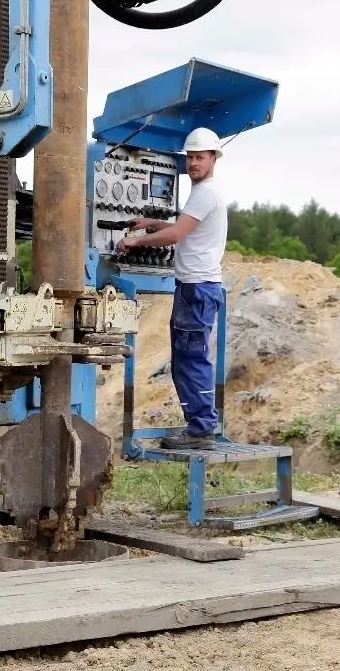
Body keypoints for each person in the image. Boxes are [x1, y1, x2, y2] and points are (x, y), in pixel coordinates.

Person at [116, 127, 228, 450]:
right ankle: (200, 426)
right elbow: (184, 228)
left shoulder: (206, 192)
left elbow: (177, 236)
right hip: (196, 287)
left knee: (191, 359)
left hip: (197, 288)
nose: (193, 163)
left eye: (199, 157)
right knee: (186, 359)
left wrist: (137, 240)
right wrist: (152, 224)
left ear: (213, 159)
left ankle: (201, 429)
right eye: (190, 157)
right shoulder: (205, 193)